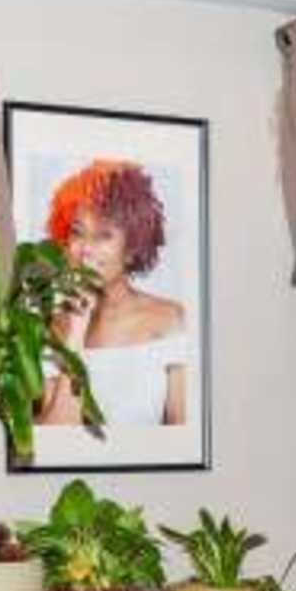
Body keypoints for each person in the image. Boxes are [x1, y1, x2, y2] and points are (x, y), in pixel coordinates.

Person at [36, 157, 191, 429]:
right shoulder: (54, 327)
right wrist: (75, 335)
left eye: (103, 235)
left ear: (132, 247)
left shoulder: (170, 319)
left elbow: (184, 438)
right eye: (77, 233)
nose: (85, 249)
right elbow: (55, 443)